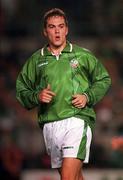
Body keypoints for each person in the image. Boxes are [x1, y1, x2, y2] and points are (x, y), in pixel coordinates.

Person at [16, 8, 111, 180]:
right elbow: (21, 90)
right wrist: (37, 96)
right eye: (52, 27)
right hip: (50, 124)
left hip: (77, 119)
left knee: (67, 177)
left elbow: (103, 79)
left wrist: (87, 96)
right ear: (45, 31)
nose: (57, 31)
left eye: (61, 26)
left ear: (67, 29)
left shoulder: (82, 55)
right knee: (74, 177)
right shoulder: (36, 60)